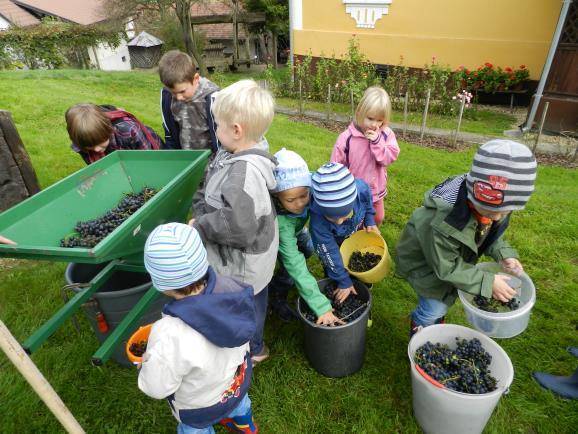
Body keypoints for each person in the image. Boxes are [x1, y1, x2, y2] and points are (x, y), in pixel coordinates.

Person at [395, 140, 537, 336]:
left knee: (442, 301)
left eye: (504, 213)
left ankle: (433, 322)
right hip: (426, 267)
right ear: (474, 192)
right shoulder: (445, 221)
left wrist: (502, 253)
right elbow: (446, 268)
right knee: (434, 306)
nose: (495, 218)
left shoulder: (491, 205)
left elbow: (488, 234)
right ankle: (422, 327)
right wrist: (488, 283)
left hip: (446, 259)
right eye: (490, 211)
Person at [139, 222, 259, 434]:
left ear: (161, 283)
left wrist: (144, 366)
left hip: (199, 408)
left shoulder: (169, 334)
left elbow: (157, 387)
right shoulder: (233, 291)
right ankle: (244, 425)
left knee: (195, 430)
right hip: (237, 385)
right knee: (240, 406)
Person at [191, 80, 278, 364]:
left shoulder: (244, 171)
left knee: (246, 307)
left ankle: (253, 350)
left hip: (241, 266)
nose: (215, 131)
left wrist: (202, 225)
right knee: (254, 302)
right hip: (253, 261)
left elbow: (237, 225)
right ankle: (254, 343)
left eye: (217, 125)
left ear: (237, 130)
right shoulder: (240, 152)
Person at [269, 148, 343, 326]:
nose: (300, 203)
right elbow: (294, 261)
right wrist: (321, 306)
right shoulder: (281, 223)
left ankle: (292, 283)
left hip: (298, 230)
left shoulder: (310, 190)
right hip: (281, 235)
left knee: (308, 248)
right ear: (277, 197)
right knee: (291, 268)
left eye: (303, 196)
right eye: (291, 200)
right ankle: (277, 292)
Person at [309, 162, 378, 304]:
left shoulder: (361, 189)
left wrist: (370, 220)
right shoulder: (318, 224)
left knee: (355, 261)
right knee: (334, 265)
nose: (339, 222)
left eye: (344, 215)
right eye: (331, 217)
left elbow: (367, 203)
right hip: (332, 242)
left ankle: (362, 282)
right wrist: (343, 280)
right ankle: (338, 283)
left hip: (354, 237)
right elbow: (329, 253)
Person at [331, 86, 399, 226]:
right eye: (370, 118)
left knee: (377, 218)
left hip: (376, 189)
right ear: (360, 112)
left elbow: (389, 158)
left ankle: (369, 237)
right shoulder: (347, 138)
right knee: (354, 219)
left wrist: (377, 142)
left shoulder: (386, 135)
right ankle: (353, 238)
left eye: (380, 120)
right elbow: (336, 164)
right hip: (353, 189)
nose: (375, 125)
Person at [159, 50, 219, 151]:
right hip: (186, 160)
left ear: (195, 79)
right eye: (173, 92)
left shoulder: (213, 99)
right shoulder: (167, 98)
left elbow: (223, 142)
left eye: (182, 91)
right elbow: (170, 136)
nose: (178, 97)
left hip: (213, 163)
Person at [65, 103, 163, 165]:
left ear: (108, 129)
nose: (97, 149)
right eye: (89, 146)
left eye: (101, 142)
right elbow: (97, 168)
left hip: (152, 153)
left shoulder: (129, 130)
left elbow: (149, 160)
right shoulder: (81, 141)